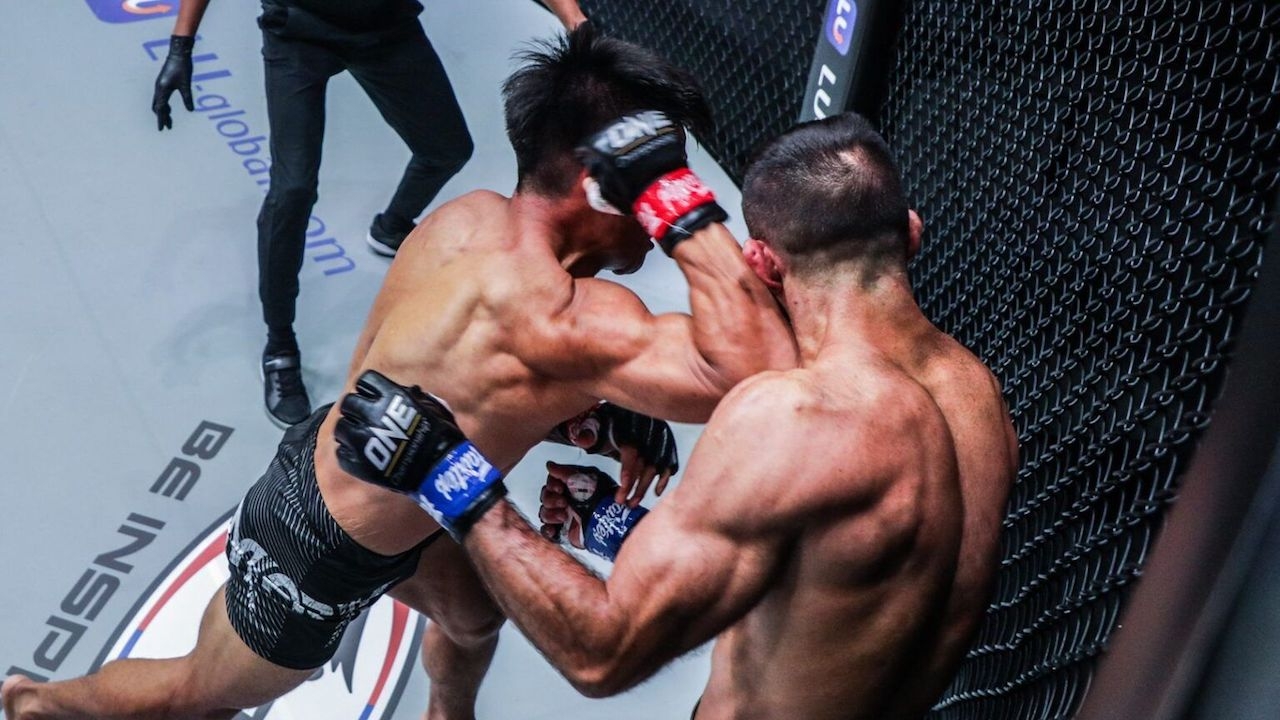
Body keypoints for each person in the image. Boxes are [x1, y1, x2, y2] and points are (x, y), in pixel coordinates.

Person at [2, 27, 794, 720]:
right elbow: (763, 372)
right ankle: (36, 703)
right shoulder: (571, 322)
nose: (654, 221)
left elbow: (471, 378)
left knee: (475, 616)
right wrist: (676, 198)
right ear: (605, 188)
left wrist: (599, 409)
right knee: (197, 694)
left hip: (378, 466)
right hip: (322, 547)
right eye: (649, 185)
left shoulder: (468, 217)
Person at [332, 112, 1020, 719]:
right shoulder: (978, 396)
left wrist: (451, 477)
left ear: (762, 265)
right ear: (911, 232)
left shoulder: (797, 418)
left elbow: (603, 654)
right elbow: (849, 590)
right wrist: (618, 531)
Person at [149, 0, 587, 427]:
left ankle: (391, 227)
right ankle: (279, 346)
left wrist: (573, 17)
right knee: (292, 190)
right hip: (298, 32)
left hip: (385, 27)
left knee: (446, 149)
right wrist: (180, 47)